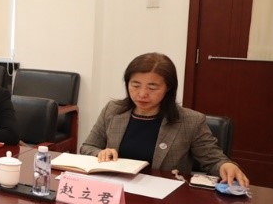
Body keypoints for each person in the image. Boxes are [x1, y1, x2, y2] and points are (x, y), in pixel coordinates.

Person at [80, 52, 249, 185]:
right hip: (116, 189)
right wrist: (100, 153)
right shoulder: (113, 110)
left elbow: (214, 160)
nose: (142, 94)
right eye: (135, 85)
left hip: (164, 199)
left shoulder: (191, 121)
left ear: (168, 87)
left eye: (152, 87)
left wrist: (226, 165)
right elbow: (87, 147)